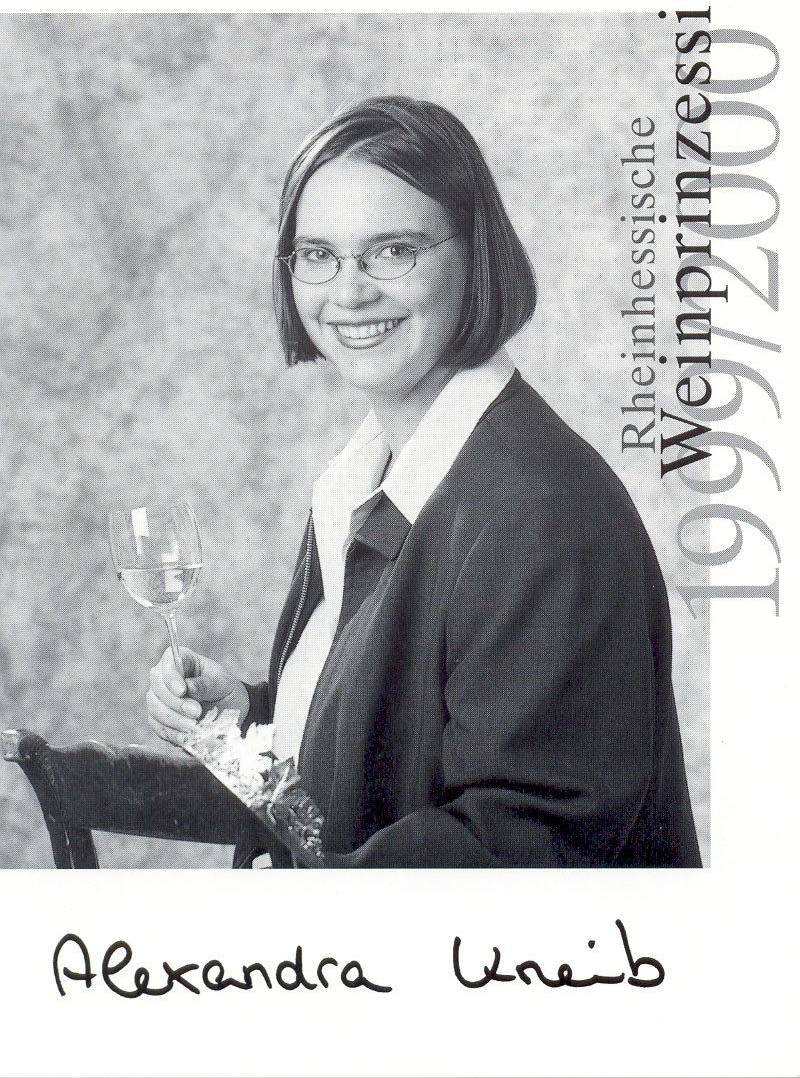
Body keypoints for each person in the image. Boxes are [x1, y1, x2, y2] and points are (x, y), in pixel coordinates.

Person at [146, 95, 701, 868]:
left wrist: (284, 918)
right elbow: (356, 791)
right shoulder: (363, 481)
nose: (349, 292)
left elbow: (525, 848)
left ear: (475, 254)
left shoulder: (540, 513)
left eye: (393, 251)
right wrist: (246, 725)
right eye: (318, 254)